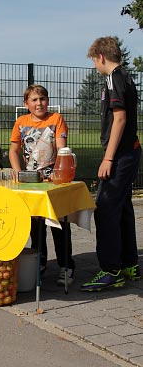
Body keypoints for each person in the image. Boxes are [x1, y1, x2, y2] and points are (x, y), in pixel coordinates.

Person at [81, 36, 142, 291]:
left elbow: (119, 119)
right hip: (130, 151)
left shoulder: (113, 77)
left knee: (105, 209)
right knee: (123, 206)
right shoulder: (126, 76)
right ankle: (129, 263)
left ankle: (110, 270)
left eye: (95, 61)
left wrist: (108, 158)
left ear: (101, 57)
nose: (95, 66)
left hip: (120, 156)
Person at [9, 84, 75, 285]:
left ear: (47, 101)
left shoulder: (56, 120)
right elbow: (13, 150)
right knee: (35, 228)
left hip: (53, 183)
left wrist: (59, 172)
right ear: (26, 104)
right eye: (34, 100)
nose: (39, 103)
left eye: (42, 99)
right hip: (30, 184)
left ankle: (66, 266)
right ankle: (40, 262)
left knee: (59, 225)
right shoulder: (21, 122)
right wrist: (18, 172)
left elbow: (61, 149)